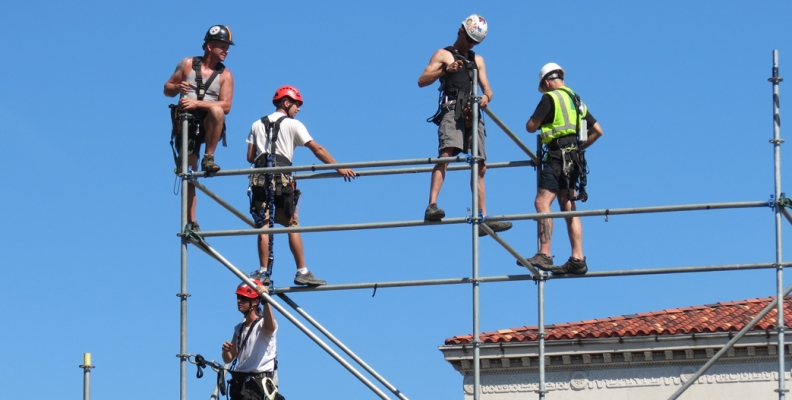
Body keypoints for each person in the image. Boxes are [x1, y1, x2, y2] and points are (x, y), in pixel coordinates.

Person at [247, 86, 356, 287]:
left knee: (264, 224)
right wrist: (340, 168)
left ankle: (263, 271)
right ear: (286, 103)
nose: (298, 109)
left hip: (260, 179)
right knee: (291, 224)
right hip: (282, 178)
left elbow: (249, 157)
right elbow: (317, 149)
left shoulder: (256, 124)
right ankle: (302, 271)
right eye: (296, 104)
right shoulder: (294, 125)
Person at [418, 14, 512, 236]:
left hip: (473, 112)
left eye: (474, 42)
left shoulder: (477, 60)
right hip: (452, 110)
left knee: (480, 165)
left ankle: (482, 217)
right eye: (469, 39)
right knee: (446, 154)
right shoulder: (443, 54)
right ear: (461, 31)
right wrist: (445, 70)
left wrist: (487, 97)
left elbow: (488, 88)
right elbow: (422, 80)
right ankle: (431, 205)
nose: (471, 44)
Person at [523, 63, 603, 275]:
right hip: (575, 159)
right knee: (569, 207)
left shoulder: (550, 98)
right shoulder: (576, 101)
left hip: (557, 157)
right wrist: (578, 146)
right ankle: (578, 258)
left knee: (542, 202)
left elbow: (530, 127)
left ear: (547, 82)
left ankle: (545, 253)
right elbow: (598, 130)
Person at [164, 25, 236, 231]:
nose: (226, 51)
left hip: (209, 123)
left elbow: (226, 106)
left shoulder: (226, 75)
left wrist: (198, 104)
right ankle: (191, 221)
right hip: (186, 122)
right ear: (209, 46)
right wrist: (178, 87)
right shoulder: (188, 64)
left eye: (227, 47)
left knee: (216, 111)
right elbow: (166, 88)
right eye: (222, 46)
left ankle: (209, 157)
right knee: (189, 171)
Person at [222, 279, 281, 400]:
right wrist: (226, 350)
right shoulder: (239, 329)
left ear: (255, 301)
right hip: (241, 385)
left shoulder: (263, 325)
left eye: (243, 298)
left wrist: (266, 300)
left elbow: (270, 326)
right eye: (238, 297)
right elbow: (228, 358)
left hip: (257, 385)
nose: (239, 301)